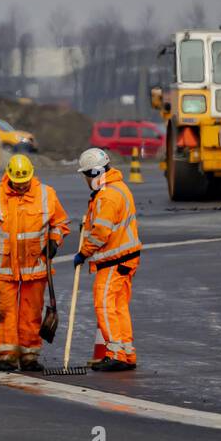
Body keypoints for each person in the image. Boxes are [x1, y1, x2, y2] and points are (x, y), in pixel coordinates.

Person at [0, 153, 70, 372]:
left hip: (35, 266)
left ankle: (29, 356)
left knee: (31, 313)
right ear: (9, 178)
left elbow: (60, 223)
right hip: (6, 267)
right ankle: (6, 355)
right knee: (6, 312)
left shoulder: (47, 194)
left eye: (24, 182)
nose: (21, 186)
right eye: (17, 183)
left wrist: (55, 241)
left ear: (31, 177)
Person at [75, 147, 142, 371]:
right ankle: (126, 352)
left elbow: (101, 233)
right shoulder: (117, 188)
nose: (85, 180)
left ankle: (116, 353)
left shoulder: (108, 196)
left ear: (94, 174)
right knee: (119, 306)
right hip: (125, 259)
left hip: (114, 260)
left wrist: (83, 253)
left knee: (104, 305)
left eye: (85, 175)